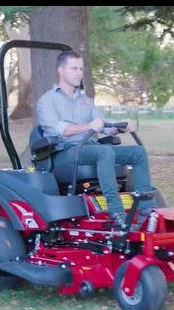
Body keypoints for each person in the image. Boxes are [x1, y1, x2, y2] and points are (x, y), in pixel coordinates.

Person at [36, 50, 157, 229]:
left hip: (90, 148)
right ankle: (116, 212)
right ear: (61, 70)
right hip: (64, 152)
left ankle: (146, 210)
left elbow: (104, 125)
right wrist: (87, 126)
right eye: (74, 68)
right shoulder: (47, 101)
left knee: (137, 152)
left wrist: (119, 126)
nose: (79, 73)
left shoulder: (85, 100)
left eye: (81, 68)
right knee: (105, 152)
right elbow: (57, 129)